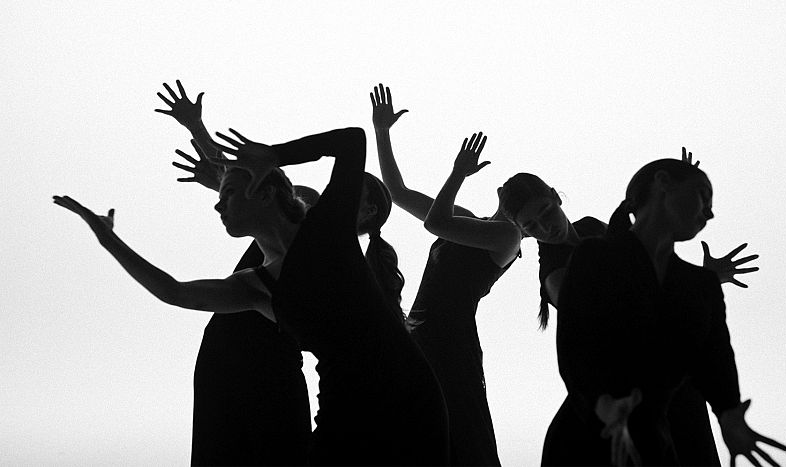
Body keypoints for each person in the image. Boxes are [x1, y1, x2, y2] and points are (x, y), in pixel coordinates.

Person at [55, 126, 449, 465]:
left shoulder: (329, 230)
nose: (217, 201)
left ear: (263, 193)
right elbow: (172, 291)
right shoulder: (255, 285)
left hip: (407, 400)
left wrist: (276, 155)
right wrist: (108, 240)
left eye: (227, 191)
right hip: (342, 410)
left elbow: (352, 140)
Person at [541, 158, 786, 466]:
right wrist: (604, 406)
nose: (709, 213)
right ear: (663, 182)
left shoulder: (701, 285)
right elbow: (575, 348)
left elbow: (716, 363)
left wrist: (729, 416)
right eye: (702, 194)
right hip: (586, 442)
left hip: (659, 444)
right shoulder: (593, 258)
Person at [372, 84, 546, 465]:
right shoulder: (467, 221)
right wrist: (382, 133)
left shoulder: (506, 237)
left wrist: (456, 174)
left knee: (455, 434)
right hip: (420, 333)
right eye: (533, 213)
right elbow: (397, 193)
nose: (535, 225)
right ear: (504, 199)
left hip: (449, 342)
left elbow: (435, 223)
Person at [158, 80, 313, 465]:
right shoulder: (269, 226)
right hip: (225, 352)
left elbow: (241, 178)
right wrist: (196, 127)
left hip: (272, 361)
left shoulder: (319, 241)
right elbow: (237, 176)